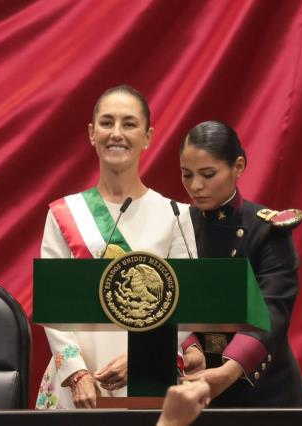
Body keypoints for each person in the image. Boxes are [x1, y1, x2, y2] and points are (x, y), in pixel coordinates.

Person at [35, 85, 197, 409]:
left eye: (129, 124)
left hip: (148, 378)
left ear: (148, 136)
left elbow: (189, 305)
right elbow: (52, 304)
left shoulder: (176, 215)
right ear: (91, 134)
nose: (117, 133)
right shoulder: (63, 214)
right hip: (78, 385)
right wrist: (77, 373)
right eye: (107, 123)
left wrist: (141, 358)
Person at [178, 120, 302, 407]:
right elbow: (171, 300)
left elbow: (273, 308)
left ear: (238, 166)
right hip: (195, 382)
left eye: (208, 174)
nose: (196, 186)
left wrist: (231, 369)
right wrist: (190, 347)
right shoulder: (178, 224)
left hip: (264, 389)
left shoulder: (266, 229)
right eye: (187, 175)